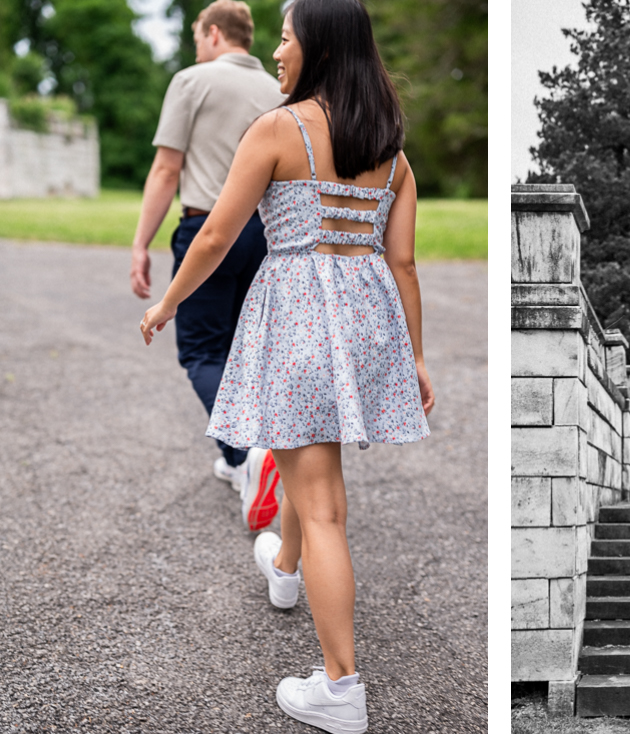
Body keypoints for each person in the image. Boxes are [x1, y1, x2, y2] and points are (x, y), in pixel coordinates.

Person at [139, 0, 433, 730]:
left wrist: (168, 303)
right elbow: (402, 263)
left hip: (301, 314)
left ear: (320, 48)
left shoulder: (280, 128)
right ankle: (285, 569)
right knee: (315, 467)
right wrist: (416, 357)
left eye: (286, 36)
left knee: (323, 498)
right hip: (365, 321)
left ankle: (341, 689)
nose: (277, 51)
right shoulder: (392, 152)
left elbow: (212, 239)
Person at [129, 0, 286, 530]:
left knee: (201, 352)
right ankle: (247, 454)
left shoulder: (192, 81)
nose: (197, 44)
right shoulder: (280, 89)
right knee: (246, 351)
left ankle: (248, 457)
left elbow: (166, 169)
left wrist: (140, 244)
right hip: (268, 233)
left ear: (215, 34)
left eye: (199, 35)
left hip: (208, 230)